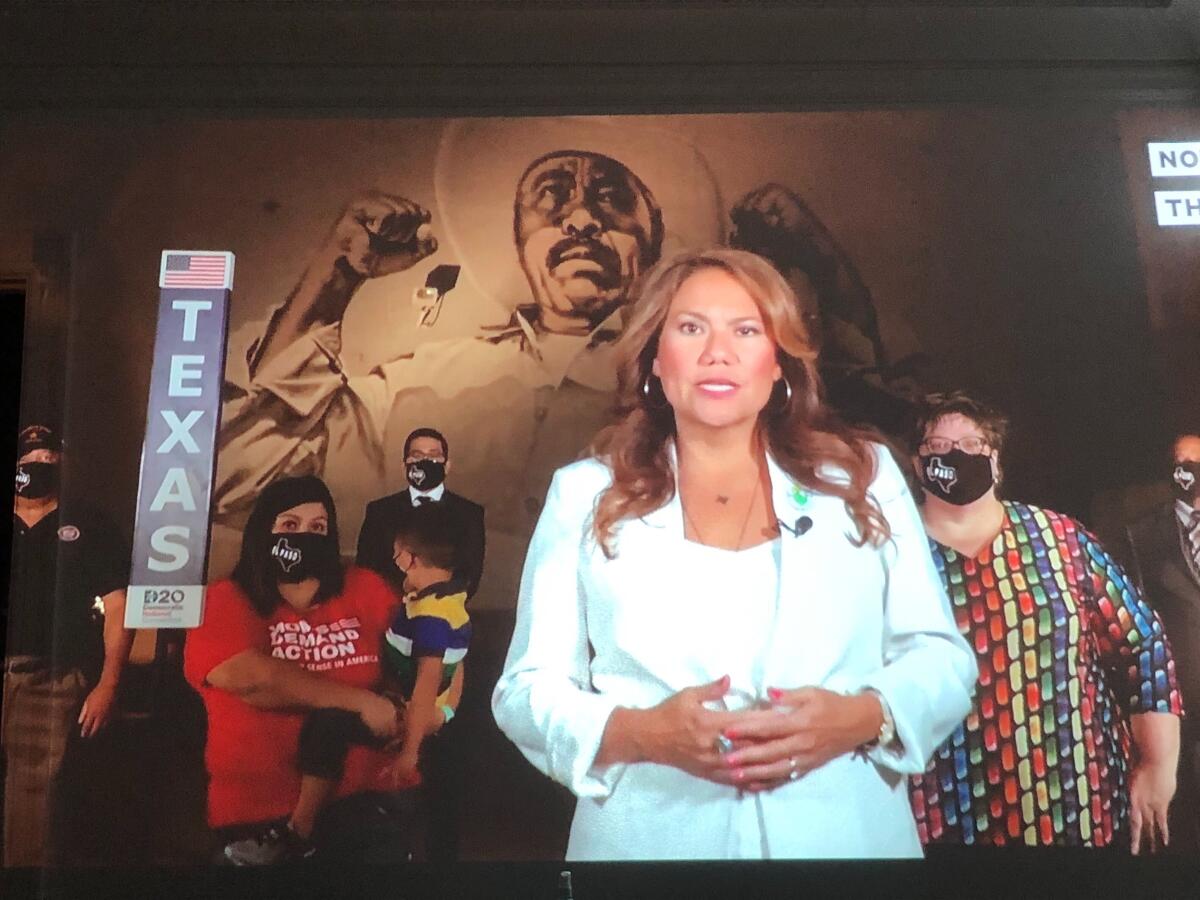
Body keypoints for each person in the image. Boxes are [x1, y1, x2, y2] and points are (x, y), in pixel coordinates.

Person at [491, 247, 976, 860]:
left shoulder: (862, 477)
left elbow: (940, 656)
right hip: (651, 845)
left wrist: (861, 718)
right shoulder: (585, 494)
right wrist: (639, 734)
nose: (717, 351)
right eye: (691, 328)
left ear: (779, 364)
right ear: (655, 362)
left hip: (845, 839)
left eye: (746, 330)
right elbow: (526, 689)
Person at [907, 391, 1182, 852]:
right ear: (917, 466)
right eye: (937, 447)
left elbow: (1143, 646)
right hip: (944, 819)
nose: (956, 456)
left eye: (972, 445)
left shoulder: (1060, 538)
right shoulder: (887, 551)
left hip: (1081, 808)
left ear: (995, 461)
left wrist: (1158, 765)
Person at [182, 476, 457, 863]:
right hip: (260, 814)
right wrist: (359, 702)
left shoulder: (364, 588)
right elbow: (251, 678)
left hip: (372, 799)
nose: (304, 536)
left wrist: (434, 712)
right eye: (290, 525)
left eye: (318, 527)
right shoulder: (224, 599)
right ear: (265, 531)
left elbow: (439, 651)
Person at [2, 423, 135, 867]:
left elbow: (119, 608)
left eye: (48, 460)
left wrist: (107, 684)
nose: (38, 467)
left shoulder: (90, 524)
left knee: (34, 807)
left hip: (50, 680)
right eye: (29, 462)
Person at [1124, 428, 1200, 851]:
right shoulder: (1143, 534)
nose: (1189, 472)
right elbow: (1138, 625)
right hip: (1181, 703)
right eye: (1181, 464)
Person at [356, 427, 485, 598]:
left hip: (443, 613)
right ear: (404, 466)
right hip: (389, 614)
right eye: (417, 456)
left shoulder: (469, 514)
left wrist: (433, 603)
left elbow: (470, 574)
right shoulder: (379, 511)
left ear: (446, 466)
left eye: (433, 456)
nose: (425, 461)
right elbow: (367, 570)